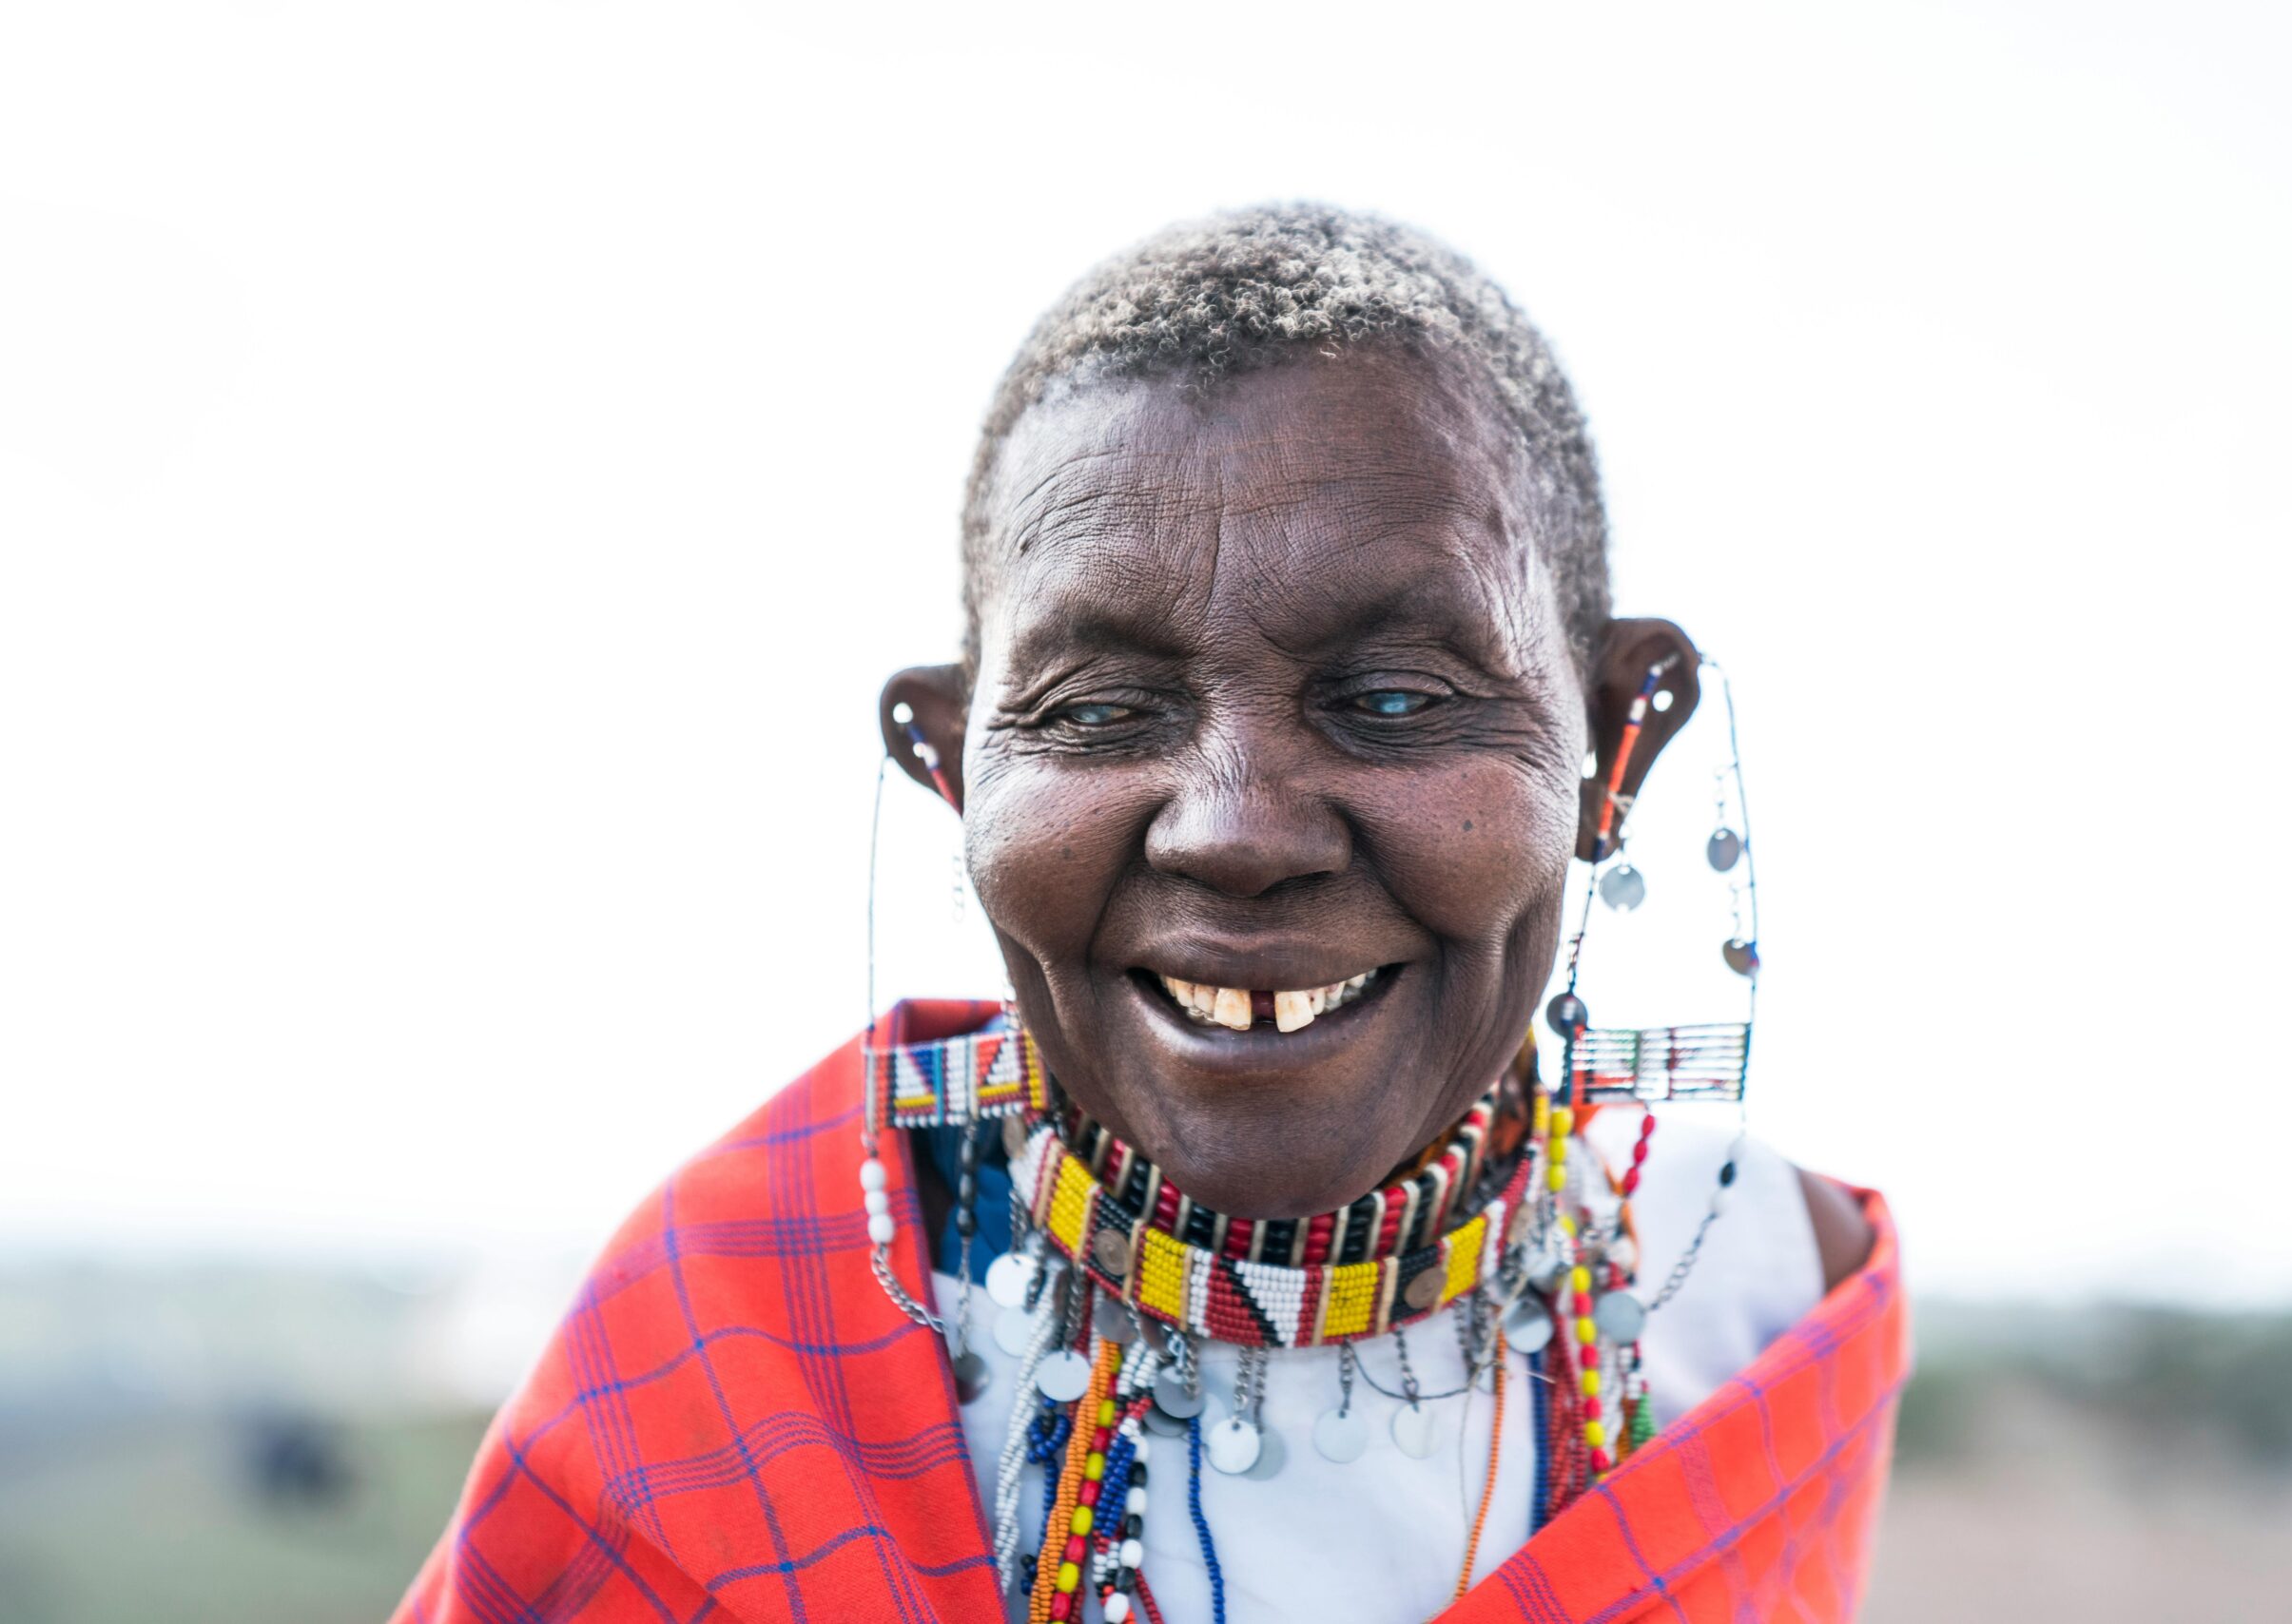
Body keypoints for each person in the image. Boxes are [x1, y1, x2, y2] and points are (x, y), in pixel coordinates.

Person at [395, 204, 1904, 1624]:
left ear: (1612, 744)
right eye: (1102, 710)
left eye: (1388, 698)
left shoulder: (1768, 1291)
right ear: (948, 764)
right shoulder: (725, 1352)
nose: (1237, 831)